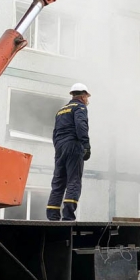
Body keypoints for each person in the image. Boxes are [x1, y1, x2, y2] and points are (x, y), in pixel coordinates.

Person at [46, 83, 91, 221]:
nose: (87, 100)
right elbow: (81, 126)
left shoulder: (61, 110)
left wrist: (58, 148)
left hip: (60, 148)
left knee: (58, 181)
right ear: (83, 96)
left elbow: (55, 132)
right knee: (74, 180)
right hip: (73, 146)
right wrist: (86, 145)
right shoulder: (80, 107)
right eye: (87, 97)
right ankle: (68, 216)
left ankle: (53, 216)